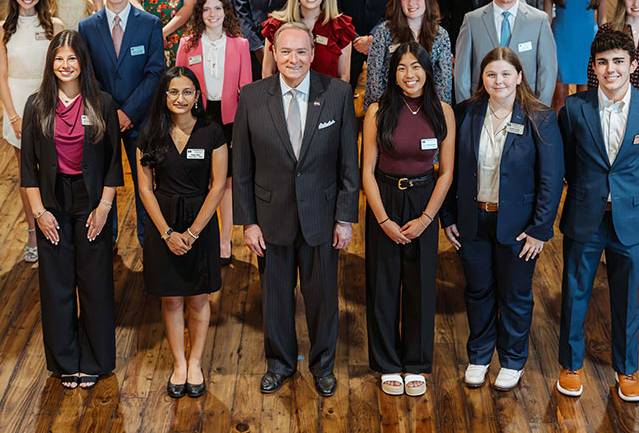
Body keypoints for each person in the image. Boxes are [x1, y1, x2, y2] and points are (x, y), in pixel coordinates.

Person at [233, 22, 360, 397]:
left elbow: (348, 166)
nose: (293, 59)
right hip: (271, 219)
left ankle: (323, 366)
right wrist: (248, 223)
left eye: (301, 51)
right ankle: (280, 364)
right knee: (275, 298)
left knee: (322, 300)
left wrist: (345, 217)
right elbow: (242, 168)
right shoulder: (252, 97)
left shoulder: (337, 94)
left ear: (312, 54)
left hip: (322, 217)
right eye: (286, 51)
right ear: (273, 51)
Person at [556, 29, 639, 403]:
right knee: (575, 292)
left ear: (633, 65)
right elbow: (566, 164)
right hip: (585, 215)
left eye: (619, 61)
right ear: (594, 67)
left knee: (626, 297)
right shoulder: (574, 109)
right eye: (603, 63)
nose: (611, 70)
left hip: (629, 220)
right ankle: (571, 365)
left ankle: (627, 368)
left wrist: (625, 194)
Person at [441, 48, 564, 392]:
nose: (499, 81)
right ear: (483, 78)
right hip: (473, 220)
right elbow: (450, 170)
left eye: (506, 74)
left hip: (520, 227)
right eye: (491, 74)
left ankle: (512, 360)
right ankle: (479, 356)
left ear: (519, 77)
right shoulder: (466, 113)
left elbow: (551, 180)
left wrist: (540, 229)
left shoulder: (540, 118)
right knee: (478, 291)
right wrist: (449, 215)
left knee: (515, 294)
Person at [20, 30, 122, 390]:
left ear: (83, 63)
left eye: (72, 59)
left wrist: (105, 207)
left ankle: (94, 360)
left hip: (91, 202)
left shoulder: (103, 104)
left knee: (95, 284)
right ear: (51, 64)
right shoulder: (36, 105)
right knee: (56, 285)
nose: (65, 66)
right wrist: (39, 213)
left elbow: (112, 163)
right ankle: (65, 361)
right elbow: (27, 168)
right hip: (52, 204)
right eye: (59, 59)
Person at [361, 43, 455, 397]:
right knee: (383, 283)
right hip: (384, 197)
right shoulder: (377, 111)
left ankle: (415, 362)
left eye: (416, 67)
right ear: (392, 73)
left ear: (428, 70)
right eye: (401, 68)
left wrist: (428, 217)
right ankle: (387, 362)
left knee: (419, 284)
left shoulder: (443, 111)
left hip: (424, 199)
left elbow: (445, 173)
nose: (409, 75)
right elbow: (366, 170)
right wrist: (383, 220)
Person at [135, 67, 229, 398]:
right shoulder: (149, 134)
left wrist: (191, 233)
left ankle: (196, 362)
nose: (180, 99)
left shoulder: (212, 132)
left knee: (198, 296)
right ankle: (178, 364)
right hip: (163, 221)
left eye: (187, 92)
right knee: (171, 298)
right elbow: (145, 189)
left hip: (200, 220)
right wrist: (166, 233)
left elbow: (218, 186)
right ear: (164, 96)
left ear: (197, 96)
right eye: (173, 92)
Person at [78, 0, 165, 245]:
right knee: (105, 180)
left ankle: (146, 238)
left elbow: (155, 73)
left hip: (141, 119)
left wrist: (128, 112)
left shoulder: (150, 24)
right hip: (104, 119)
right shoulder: (87, 27)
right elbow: (88, 74)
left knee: (144, 184)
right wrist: (111, 110)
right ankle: (107, 237)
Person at [176, 0, 253, 264]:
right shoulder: (186, 45)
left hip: (230, 119)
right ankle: (198, 236)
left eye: (217, 8)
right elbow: (178, 89)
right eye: (206, 9)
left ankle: (223, 241)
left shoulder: (240, 44)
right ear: (200, 14)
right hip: (197, 119)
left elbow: (246, 90)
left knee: (226, 182)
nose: (212, 14)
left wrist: (242, 131)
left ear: (225, 12)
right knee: (200, 180)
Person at [0, 0, 64, 262]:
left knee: (56, 170)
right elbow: (1, 77)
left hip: (49, 105)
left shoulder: (54, 26)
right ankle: (33, 232)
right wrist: (13, 116)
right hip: (16, 107)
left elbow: (63, 72)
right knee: (28, 176)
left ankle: (58, 226)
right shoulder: (1, 29)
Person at [454, 0, 558, 105]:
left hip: (526, 105)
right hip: (482, 104)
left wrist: (540, 111)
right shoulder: (472, 20)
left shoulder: (539, 21)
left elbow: (547, 71)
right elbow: (462, 73)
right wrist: (465, 109)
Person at [544, 0, 608, 112]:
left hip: (588, 42)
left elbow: (602, 16)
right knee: (560, 96)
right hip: (561, 40)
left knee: (586, 96)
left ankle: (581, 137)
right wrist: (544, 44)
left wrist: (605, 46)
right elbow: (547, 14)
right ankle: (559, 137)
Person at [364, 0, 453, 106]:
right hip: (391, 104)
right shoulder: (384, 31)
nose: (411, 3)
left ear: (427, 0)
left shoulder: (440, 34)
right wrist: (381, 109)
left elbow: (443, 82)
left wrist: (439, 110)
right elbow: (374, 76)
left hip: (427, 105)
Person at [260, 0, 354, 81]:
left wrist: (334, 98)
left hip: (327, 96)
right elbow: (267, 72)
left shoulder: (340, 28)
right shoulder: (276, 26)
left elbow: (344, 76)